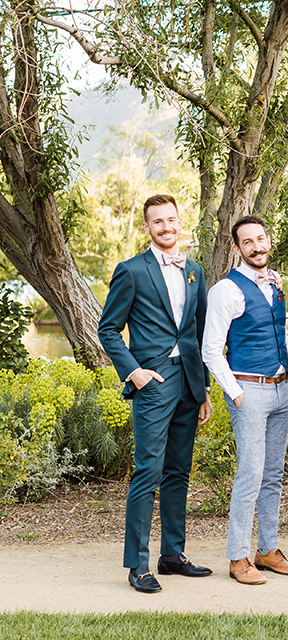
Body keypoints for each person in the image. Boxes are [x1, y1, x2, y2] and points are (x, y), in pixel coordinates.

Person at [98, 194, 213, 593]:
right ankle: (137, 564)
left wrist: (205, 390)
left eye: (171, 220)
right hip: (154, 384)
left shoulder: (195, 271)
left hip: (189, 384)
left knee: (179, 471)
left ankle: (172, 555)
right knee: (148, 471)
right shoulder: (130, 271)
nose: (166, 227)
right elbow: (108, 330)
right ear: (147, 227)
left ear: (181, 223)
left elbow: (196, 334)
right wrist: (135, 373)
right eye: (157, 222)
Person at [201, 216, 288, 585]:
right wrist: (237, 394)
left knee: (273, 474)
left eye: (261, 239)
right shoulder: (225, 290)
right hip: (249, 390)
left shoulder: (275, 283)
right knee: (251, 473)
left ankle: (267, 549)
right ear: (236, 248)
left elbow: (280, 331)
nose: (256, 246)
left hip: (280, 388)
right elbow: (211, 350)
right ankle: (238, 557)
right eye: (248, 242)